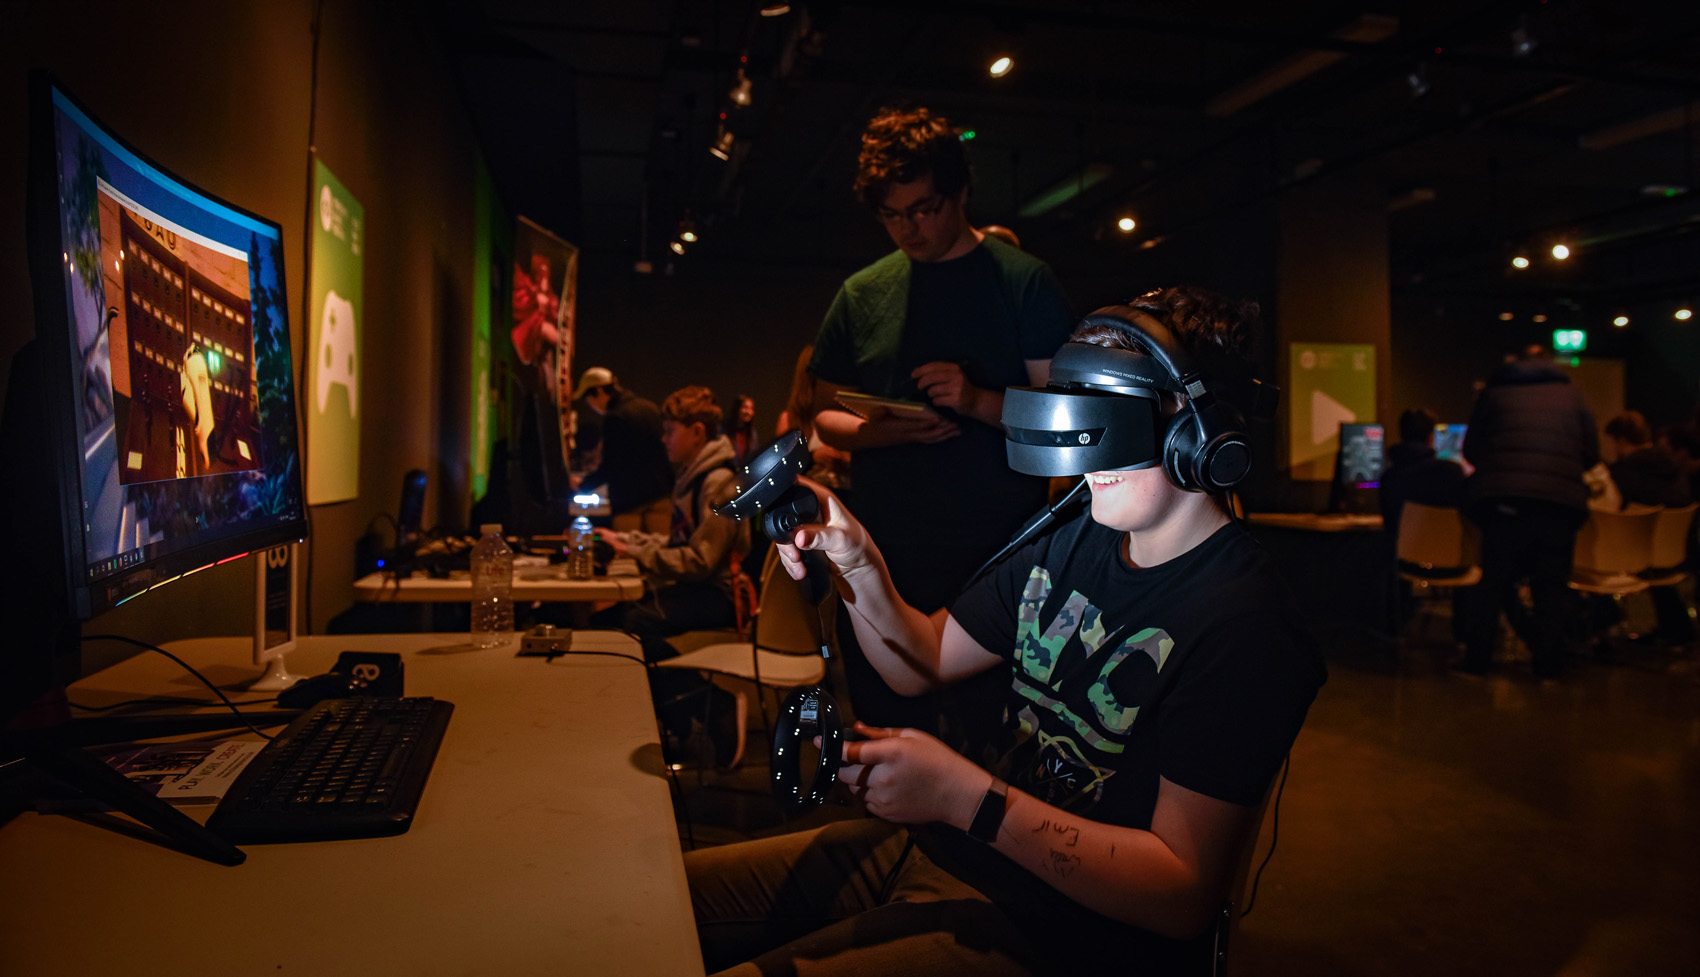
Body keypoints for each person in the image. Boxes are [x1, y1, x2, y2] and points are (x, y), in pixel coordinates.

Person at [686, 287, 1325, 977]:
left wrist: (966, 797)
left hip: (1061, 938)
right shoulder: (1074, 537)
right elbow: (922, 658)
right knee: (662, 898)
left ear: (1193, 430)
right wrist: (853, 553)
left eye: (1107, 418)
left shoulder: (1246, 625)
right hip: (952, 853)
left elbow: (1181, 893)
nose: (1081, 452)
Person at [807, 104, 1075, 734]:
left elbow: (1069, 425)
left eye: (924, 208)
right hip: (885, 552)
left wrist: (978, 400)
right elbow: (821, 418)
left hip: (997, 554)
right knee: (887, 728)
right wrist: (883, 432)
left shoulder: (1022, 282)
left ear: (959, 193)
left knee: (994, 738)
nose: (909, 229)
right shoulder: (863, 292)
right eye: (891, 215)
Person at [589, 385, 750, 768]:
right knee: (608, 623)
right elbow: (678, 543)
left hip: (723, 596)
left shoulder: (718, 482)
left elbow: (700, 560)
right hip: (701, 589)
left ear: (697, 432)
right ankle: (681, 724)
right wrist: (627, 541)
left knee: (626, 627)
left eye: (670, 431)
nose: (664, 439)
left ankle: (716, 709)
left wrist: (636, 551)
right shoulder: (693, 477)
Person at [1458, 345, 1600, 679]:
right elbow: (1592, 455)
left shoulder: (1495, 394)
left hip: (1505, 504)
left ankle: (1478, 661)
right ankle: (1548, 664)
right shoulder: (1574, 396)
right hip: (1559, 506)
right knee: (1551, 587)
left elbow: (1472, 450)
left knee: (1492, 583)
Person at [573, 366, 673, 521]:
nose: (591, 407)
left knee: (628, 544)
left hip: (630, 504)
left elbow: (611, 466)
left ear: (598, 391)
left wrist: (582, 484)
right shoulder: (649, 407)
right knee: (660, 543)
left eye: (588, 401)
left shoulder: (615, 418)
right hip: (662, 496)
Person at [1379, 407, 1467, 544]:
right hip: (1449, 556)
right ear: (1431, 437)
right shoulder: (1452, 472)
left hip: (1405, 559)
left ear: (1401, 436)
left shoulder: (1389, 479)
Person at [776, 344, 853, 494]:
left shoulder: (846, 415)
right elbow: (779, 472)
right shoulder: (790, 419)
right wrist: (813, 458)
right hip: (807, 503)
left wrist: (846, 461)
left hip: (845, 500)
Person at [1603, 410, 1690, 509]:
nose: (1607, 447)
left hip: (1636, 524)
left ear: (1622, 442)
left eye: (1609, 442)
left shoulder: (1621, 472)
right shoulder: (1674, 464)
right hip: (1675, 524)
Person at [724, 394, 761, 469]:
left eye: (751, 409)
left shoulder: (752, 433)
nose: (748, 412)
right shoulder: (724, 429)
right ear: (737, 409)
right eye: (745, 407)